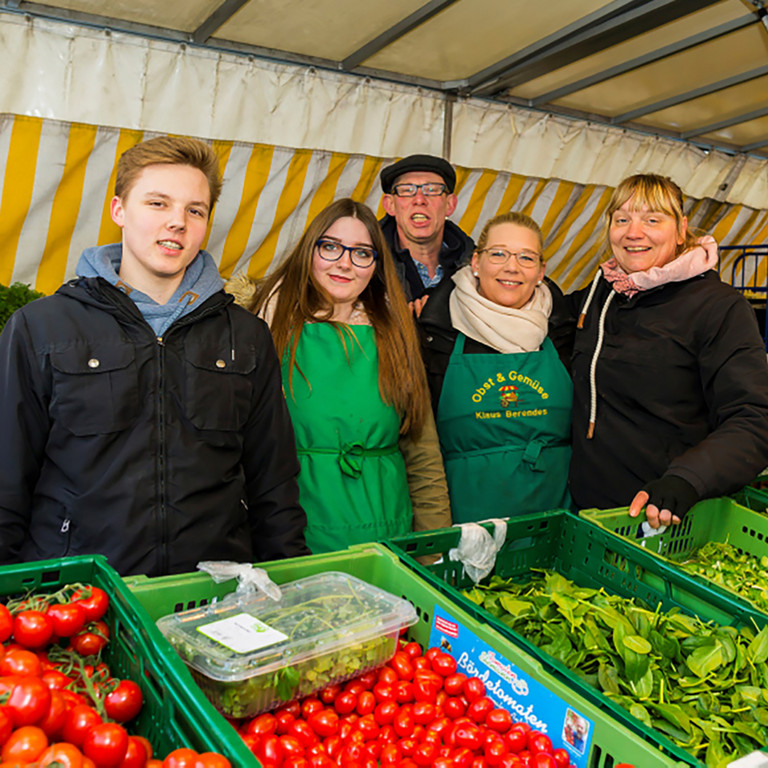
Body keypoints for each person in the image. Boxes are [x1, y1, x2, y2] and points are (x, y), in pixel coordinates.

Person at [0, 136, 308, 576]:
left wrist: (288, 582)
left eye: (194, 210)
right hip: (79, 594)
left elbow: (273, 483)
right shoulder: (41, 328)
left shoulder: (247, 336)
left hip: (210, 594)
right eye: (158, 204)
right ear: (119, 211)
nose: (177, 223)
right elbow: (6, 479)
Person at [233, 198, 451, 553]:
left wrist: (433, 549)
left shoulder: (396, 335)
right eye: (331, 247)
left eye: (362, 253)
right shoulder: (265, 329)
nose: (345, 264)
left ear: (376, 266)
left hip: (386, 537)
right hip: (293, 536)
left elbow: (423, 456)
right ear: (309, 250)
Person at [568, 173, 768, 528]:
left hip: (665, 520)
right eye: (622, 219)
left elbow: (754, 417)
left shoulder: (718, 307)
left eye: (652, 219)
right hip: (590, 515)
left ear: (681, 230)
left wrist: (687, 479)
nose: (633, 232)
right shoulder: (599, 296)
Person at [418, 211, 573, 523]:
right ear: (476, 263)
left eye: (526, 258)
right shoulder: (436, 335)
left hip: (553, 521)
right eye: (498, 254)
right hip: (463, 525)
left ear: (541, 271)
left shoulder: (565, 332)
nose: (511, 267)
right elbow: (418, 450)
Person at [379, 154, 475, 306]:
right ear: (390, 205)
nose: (419, 200)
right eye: (406, 190)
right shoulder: (368, 266)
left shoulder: (476, 268)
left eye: (431, 190)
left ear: (450, 204)